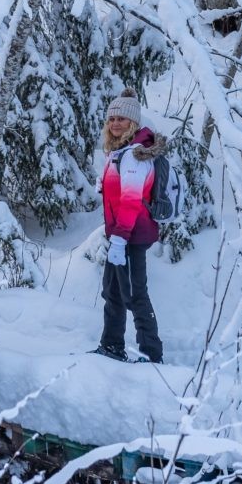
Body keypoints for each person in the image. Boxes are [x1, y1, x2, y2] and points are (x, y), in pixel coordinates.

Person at [90, 88, 165, 364]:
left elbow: (132, 202)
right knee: (112, 291)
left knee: (135, 294)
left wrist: (120, 240)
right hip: (120, 235)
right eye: (112, 119)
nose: (115, 123)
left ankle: (150, 354)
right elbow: (122, 191)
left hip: (130, 237)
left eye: (122, 119)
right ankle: (111, 346)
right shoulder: (120, 153)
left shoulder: (134, 155)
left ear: (132, 123)